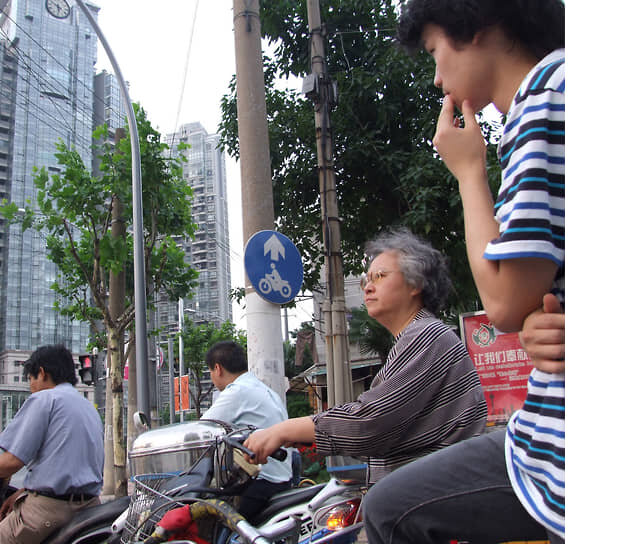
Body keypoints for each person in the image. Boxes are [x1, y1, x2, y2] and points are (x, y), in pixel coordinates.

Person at [361, 1, 565, 543]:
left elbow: (505, 302)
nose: (436, 77)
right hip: (545, 442)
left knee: (387, 511)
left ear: (474, 27)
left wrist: (468, 171)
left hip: (554, 456)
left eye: (434, 51)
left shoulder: (542, 98)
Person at [244, 229, 487, 484]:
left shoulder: (426, 335)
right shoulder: (417, 336)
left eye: (380, 276)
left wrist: (284, 429)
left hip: (436, 501)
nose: (368, 287)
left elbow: (369, 423)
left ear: (415, 284)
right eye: (366, 280)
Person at [0, 344, 104, 544]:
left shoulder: (45, 398)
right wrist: (25, 492)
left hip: (50, 512)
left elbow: (12, 461)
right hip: (89, 508)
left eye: (30, 378)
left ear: (42, 373)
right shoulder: (88, 407)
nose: (30, 386)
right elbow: (65, 462)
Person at [199, 340, 292, 522]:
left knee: (211, 524)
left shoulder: (237, 392)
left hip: (262, 482)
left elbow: (203, 430)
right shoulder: (264, 389)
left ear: (217, 369)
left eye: (210, 371)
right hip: (283, 477)